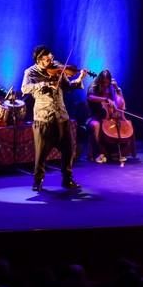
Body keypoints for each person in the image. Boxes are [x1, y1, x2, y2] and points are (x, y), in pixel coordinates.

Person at [21, 45, 88, 191]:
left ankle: (67, 179)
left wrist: (80, 77)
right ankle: (38, 181)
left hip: (61, 116)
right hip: (44, 117)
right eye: (47, 60)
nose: (51, 62)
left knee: (69, 150)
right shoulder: (30, 72)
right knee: (41, 153)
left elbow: (68, 86)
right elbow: (24, 89)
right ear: (39, 59)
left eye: (51, 58)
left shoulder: (58, 68)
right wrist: (45, 84)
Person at [86, 69, 132, 163]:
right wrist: (105, 99)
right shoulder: (93, 86)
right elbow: (90, 97)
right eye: (104, 83)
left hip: (108, 117)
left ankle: (116, 153)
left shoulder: (111, 86)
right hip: (95, 116)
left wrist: (116, 88)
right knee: (96, 126)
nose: (105, 85)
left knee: (119, 128)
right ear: (100, 80)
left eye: (107, 83)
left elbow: (119, 101)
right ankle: (98, 153)